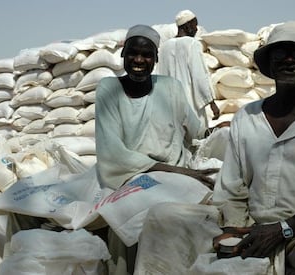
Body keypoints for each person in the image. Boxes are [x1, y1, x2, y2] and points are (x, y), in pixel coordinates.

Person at [133, 21, 295, 275]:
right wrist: (234, 229)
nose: (289, 60)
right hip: (251, 224)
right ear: (270, 63)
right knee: (163, 216)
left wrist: (286, 227)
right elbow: (232, 188)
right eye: (280, 53)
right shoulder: (247, 117)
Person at [95, 24, 230, 274]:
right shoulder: (108, 89)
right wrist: (181, 173)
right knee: (122, 221)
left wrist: (217, 130)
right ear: (123, 54)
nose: (139, 60)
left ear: (156, 58)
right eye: (133, 53)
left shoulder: (170, 87)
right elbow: (114, 153)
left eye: (147, 55)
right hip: (128, 175)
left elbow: (195, 129)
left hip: (173, 174)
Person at [157, 9, 220, 128]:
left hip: (169, 106)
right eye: (195, 25)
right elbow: (199, 76)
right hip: (190, 106)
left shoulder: (164, 47)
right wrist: (211, 103)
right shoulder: (192, 44)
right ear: (187, 25)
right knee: (194, 141)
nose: (196, 29)